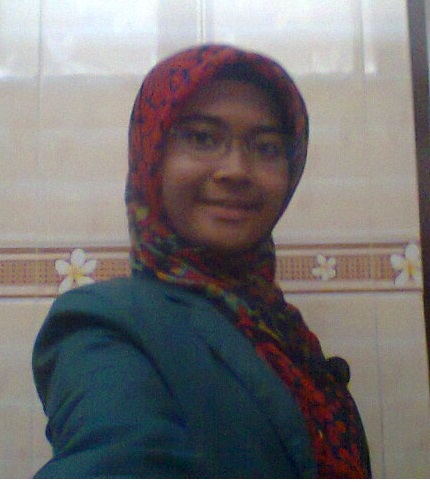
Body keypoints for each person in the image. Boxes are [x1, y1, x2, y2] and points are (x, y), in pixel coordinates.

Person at [32, 44, 371, 478]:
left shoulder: (280, 328)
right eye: (202, 138)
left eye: (267, 147)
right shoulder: (105, 327)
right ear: (152, 159)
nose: (236, 170)